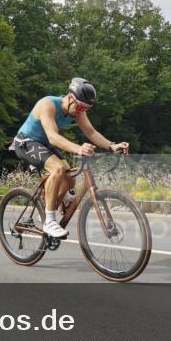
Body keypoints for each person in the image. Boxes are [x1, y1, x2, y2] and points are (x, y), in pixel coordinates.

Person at [10, 78, 128, 238]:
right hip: (26, 142)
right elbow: (53, 137)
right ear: (70, 98)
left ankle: (48, 208)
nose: (81, 111)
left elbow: (91, 132)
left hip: (43, 144)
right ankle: (49, 221)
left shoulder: (77, 110)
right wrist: (79, 149)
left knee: (70, 179)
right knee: (58, 169)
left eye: (86, 108)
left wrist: (111, 145)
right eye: (79, 107)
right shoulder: (48, 104)